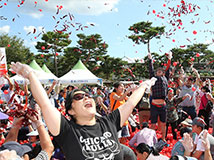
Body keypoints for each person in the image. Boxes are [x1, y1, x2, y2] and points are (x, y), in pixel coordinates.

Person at [10, 62, 156, 159]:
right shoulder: (67, 131)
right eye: (79, 97)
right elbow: (44, 103)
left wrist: (145, 86)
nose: (87, 98)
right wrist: (30, 75)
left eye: (89, 96)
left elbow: (130, 103)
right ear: (71, 111)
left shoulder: (109, 123)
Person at [148, 51, 172, 141]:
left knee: (163, 123)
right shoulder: (153, 78)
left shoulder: (165, 78)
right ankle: (151, 138)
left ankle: (163, 138)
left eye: (160, 71)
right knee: (153, 124)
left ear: (162, 72)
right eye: (157, 71)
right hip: (154, 105)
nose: (159, 72)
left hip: (163, 105)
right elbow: (150, 69)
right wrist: (150, 59)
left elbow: (168, 68)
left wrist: (169, 58)